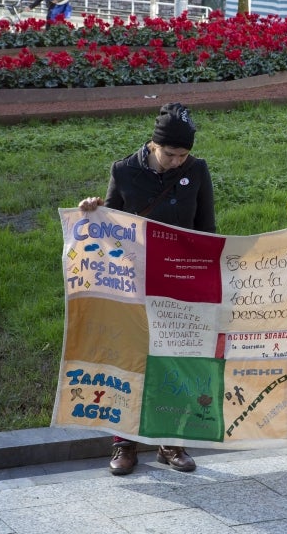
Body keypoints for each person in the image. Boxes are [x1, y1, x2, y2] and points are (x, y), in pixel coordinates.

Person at [79, 102, 216, 474]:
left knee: (174, 361)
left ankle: (171, 441)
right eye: (171, 153)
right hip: (132, 282)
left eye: (183, 154)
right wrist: (91, 210)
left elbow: (207, 230)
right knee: (129, 358)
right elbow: (107, 223)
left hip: (178, 283)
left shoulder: (197, 170)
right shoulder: (123, 170)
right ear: (154, 145)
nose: (177, 161)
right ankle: (124, 444)